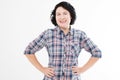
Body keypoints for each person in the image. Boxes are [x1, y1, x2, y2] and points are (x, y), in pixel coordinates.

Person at [24, 1, 102, 80]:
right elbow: (29, 51)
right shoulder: (48, 34)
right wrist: (42, 69)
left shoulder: (79, 35)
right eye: (58, 14)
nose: (62, 17)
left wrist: (82, 69)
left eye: (65, 13)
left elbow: (97, 52)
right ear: (55, 17)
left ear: (71, 16)